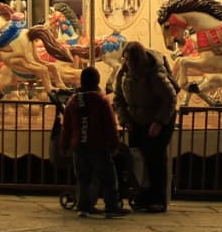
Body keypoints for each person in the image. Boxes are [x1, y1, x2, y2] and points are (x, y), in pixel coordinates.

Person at [112, 41, 176, 213]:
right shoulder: (123, 74)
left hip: (157, 120)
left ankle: (157, 198)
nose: (127, 63)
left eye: (130, 60)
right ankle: (142, 194)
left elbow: (169, 99)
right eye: (125, 59)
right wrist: (125, 119)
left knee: (154, 158)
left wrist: (159, 122)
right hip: (136, 121)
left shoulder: (155, 74)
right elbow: (118, 98)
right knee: (137, 159)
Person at [61, 66, 128, 217]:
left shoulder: (73, 100)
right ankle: (111, 206)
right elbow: (109, 124)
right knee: (108, 177)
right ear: (97, 81)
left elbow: (67, 125)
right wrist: (114, 143)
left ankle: (83, 206)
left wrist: (65, 145)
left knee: (83, 178)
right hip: (98, 145)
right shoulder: (100, 100)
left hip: (78, 145)